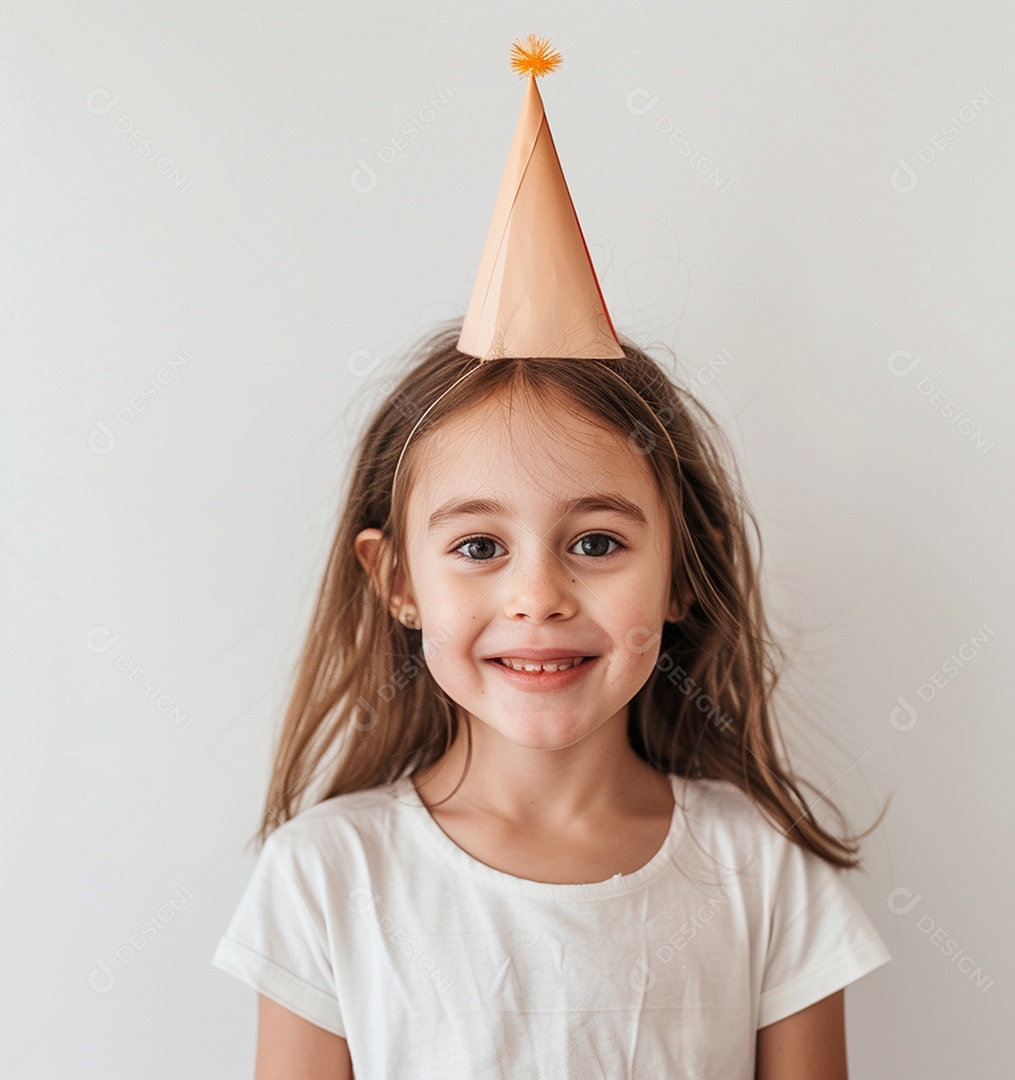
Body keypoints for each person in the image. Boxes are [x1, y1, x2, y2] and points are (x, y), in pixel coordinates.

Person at [211, 35, 892, 1080]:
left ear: (680, 574)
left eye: (597, 542)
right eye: (479, 546)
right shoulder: (328, 881)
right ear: (396, 580)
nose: (538, 596)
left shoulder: (760, 874)